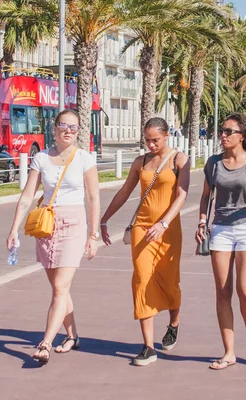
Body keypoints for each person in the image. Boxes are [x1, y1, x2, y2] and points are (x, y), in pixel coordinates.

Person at [6, 109, 100, 364]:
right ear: (55, 127)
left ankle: (45, 343)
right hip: (46, 226)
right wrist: (14, 229)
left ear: (78, 131)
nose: (68, 131)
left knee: (60, 286)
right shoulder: (41, 158)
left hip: (74, 224)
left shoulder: (84, 159)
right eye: (64, 125)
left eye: (74, 127)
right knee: (60, 288)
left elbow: (93, 197)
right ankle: (72, 335)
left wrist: (94, 235)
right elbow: (27, 196)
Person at [100, 117, 190, 366]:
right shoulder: (141, 162)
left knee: (170, 282)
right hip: (142, 228)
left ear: (166, 136)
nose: (150, 145)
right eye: (147, 140)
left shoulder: (179, 160)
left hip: (168, 230)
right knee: (141, 279)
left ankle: (174, 323)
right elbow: (125, 191)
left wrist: (163, 224)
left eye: (155, 140)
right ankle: (148, 347)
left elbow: (182, 195)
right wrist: (104, 219)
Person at [195, 113, 246, 371]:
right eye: (222, 130)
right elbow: (205, 196)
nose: (223, 135)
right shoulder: (214, 163)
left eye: (228, 131)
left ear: (242, 136)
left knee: (245, 290)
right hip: (221, 230)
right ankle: (228, 352)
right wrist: (202, 222)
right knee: (223, 292)